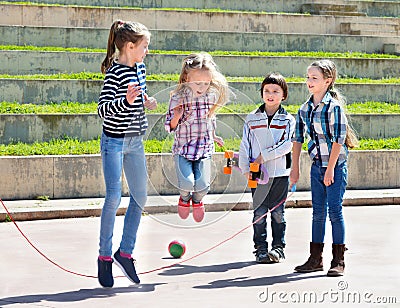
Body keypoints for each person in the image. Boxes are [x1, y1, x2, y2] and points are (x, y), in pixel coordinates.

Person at [97, 20, 157, 288]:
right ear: (130, 46)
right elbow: (103, 110)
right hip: (115, 142)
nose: (147, 51)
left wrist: (146, 101)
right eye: (144, 46)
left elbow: (138, 96)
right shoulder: (114, 73)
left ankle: (125, 252)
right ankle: (105, 257)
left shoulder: (140, 68)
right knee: (113, 197)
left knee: (140, 195)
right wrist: (127, 101)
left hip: (135, 141)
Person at [291, 59, 358, 276]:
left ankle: (338, 260)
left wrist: (330, 169)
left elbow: (339, 140)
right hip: (316, 166)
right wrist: (295, 169)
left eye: (314, 78)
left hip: (334, 167)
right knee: (317, 213)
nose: (309, 81)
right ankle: (315, 259)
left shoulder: (334, 107)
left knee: (335, 213)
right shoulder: (304, 109)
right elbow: (298, 139)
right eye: (308, 77)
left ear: (327, 81)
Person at [165, 52, 229, 223]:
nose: (202, 87)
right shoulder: (178, 97)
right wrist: (177, 117)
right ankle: (184, 199)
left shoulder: (210, 96)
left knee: (203, 186)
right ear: (186, 78)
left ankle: (197, 201)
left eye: (206, 83)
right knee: (186, 184)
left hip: (204, 149)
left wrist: (214, 136)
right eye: (198, 83)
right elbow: (168, 127)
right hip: (183, 149)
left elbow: (210, 118)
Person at [239, 73, 296, 264]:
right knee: (259, 213)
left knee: (278, 213)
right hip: (258, 176)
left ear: (283, 95)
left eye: (275, 91)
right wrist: (245, 168)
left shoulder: (288, 120)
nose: (270, 94)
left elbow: (287, 145)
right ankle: (260, 250)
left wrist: (264, 155)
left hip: (280, 175)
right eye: (267, 91)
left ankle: (278, 248)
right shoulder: (252, 118)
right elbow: (245, 145)